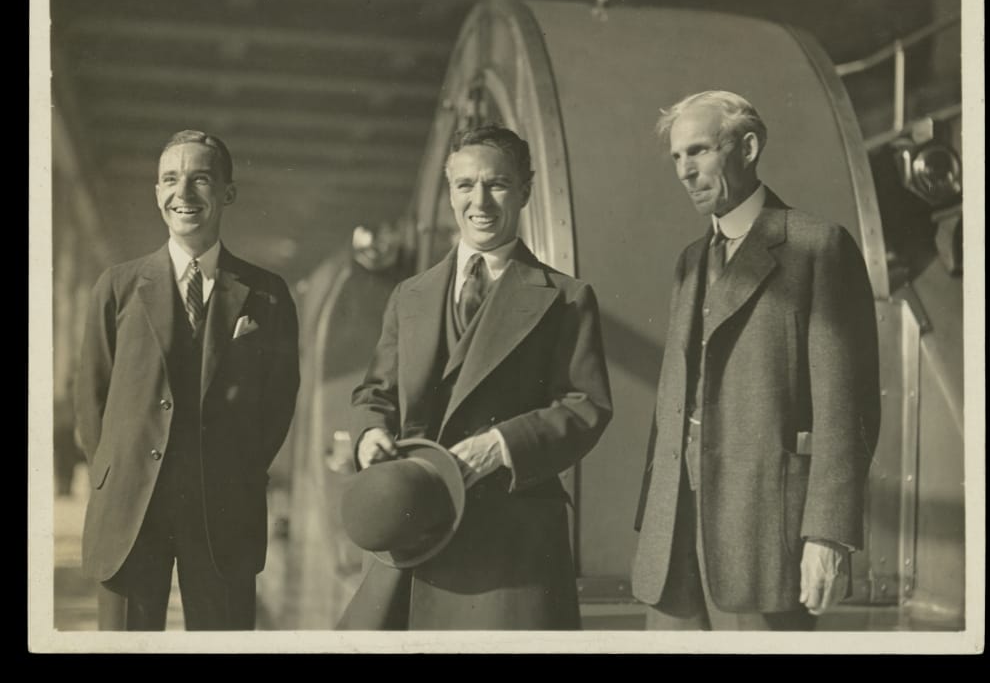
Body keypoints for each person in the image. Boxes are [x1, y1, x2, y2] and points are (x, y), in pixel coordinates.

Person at [339, 124, 612, 630]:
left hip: (510, 544)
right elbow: (375, 391)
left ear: (526, 191)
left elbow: (585, 406)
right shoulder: (410, 295)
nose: (479, 200)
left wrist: (501, 445)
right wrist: (370, 433)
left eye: (498, 184)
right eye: (465, 185)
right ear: (450, 193)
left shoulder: (567, 297)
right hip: (413, 527)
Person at [631, 91, 880, 630]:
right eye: (676, 157)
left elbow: (848, 407)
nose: (684, 171)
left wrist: (828, 534)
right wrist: (652, 516)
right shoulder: (690, 261)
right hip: (672, 536)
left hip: (766, 536)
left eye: (698, 151)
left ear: (748, 147)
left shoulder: (817, 246)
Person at [74, 130, 300, 630]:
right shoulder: (117, 287)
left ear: (227, 193)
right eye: (171, 180)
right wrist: (118, 474)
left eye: (201, 179)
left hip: (222, 506)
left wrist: (235, 468)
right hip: (132, 510)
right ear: (157, 193)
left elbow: (277, 402)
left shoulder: (266, 294)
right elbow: (92, 400)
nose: (185, 194)